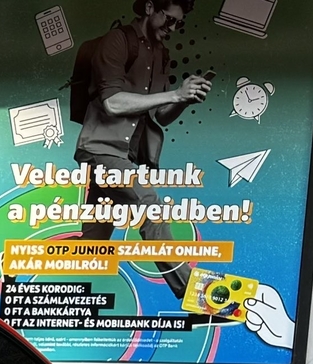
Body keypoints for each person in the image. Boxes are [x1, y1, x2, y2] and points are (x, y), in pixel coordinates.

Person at [70, 0, 211, 300]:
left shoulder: (161, 54)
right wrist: (175, 92)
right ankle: (196, 295)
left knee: (93, 244)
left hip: (125, 156)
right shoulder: (118, 41)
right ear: (150, 8)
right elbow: (113, 103)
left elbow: (158, 115)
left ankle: (16, 266)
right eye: (169, 20)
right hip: (101, 149)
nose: (172, 28)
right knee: (150, 205)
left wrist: (184, 99)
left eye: (178, 24)